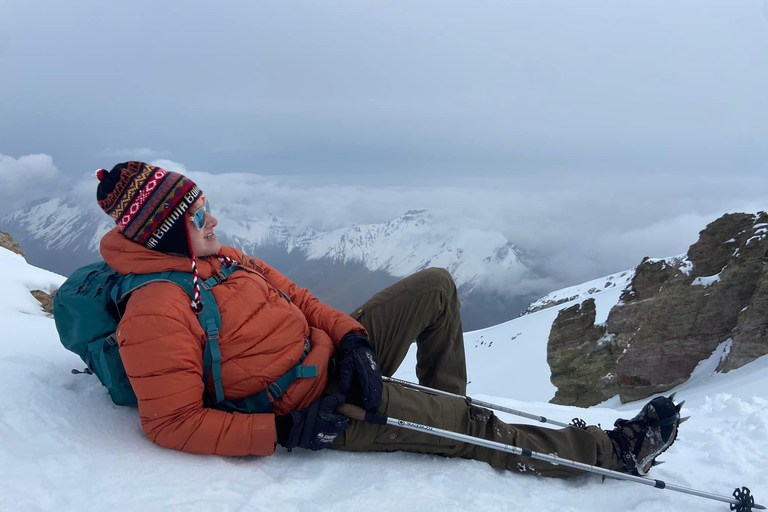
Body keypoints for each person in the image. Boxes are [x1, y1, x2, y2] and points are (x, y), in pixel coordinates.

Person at [95, 161, 682, 478]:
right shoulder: (156, 309)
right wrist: (280, 433)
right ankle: (612, 452)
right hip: (314, 409)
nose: (214, 221)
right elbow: (171, 422)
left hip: (333, 360)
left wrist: (350, 337)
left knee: (436, 287)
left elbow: (299, 298)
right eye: (199, 216)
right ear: (168, 230)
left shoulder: (221, 260)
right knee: (468, 425)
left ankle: (445, 420)